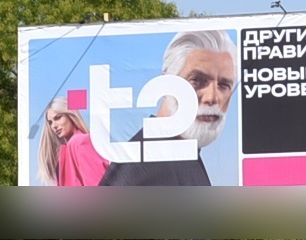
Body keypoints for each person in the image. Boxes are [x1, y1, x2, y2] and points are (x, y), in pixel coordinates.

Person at [101, 29, 237, 187]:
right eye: (197, 80)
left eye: (224, 85)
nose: (212, 97)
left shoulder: (178, 153)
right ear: (166, 83)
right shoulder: (152, 162)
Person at [37, 92, 108, 187]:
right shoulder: (65, 152)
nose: (54, 126)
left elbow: (98, 183)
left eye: (58, 118)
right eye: (50, 122)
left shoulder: (81, 142)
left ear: (70, 115)